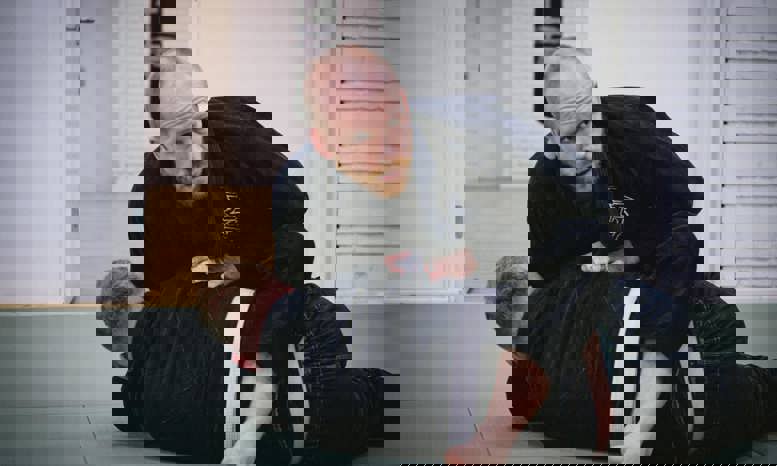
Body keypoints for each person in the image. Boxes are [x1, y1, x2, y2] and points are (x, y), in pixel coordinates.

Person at [495, 47, 777, 463]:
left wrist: (631, 250)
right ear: (550, 122)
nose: (584, 144)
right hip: (594, 292)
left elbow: (679, 202)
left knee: (673, 267)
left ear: (594, 93)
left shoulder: (633, 127)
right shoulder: (547, 175)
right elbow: (546, 263)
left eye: (587, 122)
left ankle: (650, 410)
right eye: (569, 134)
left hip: (657, 266)